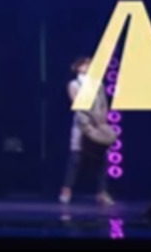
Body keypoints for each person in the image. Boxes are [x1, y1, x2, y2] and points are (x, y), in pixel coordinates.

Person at [60, 56, 114, 206]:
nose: (87, 67)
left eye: (89, 65)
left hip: (98, 125)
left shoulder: (97, 84)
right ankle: (66, 190)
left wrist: (101, 119)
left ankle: (102, 192)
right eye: (85, 65)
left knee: (100, 159)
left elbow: (103, 103)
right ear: (78, 67)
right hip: (82, 124)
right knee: (76, 158)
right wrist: (92, 118)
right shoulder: (73, 84)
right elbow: (77, 104)